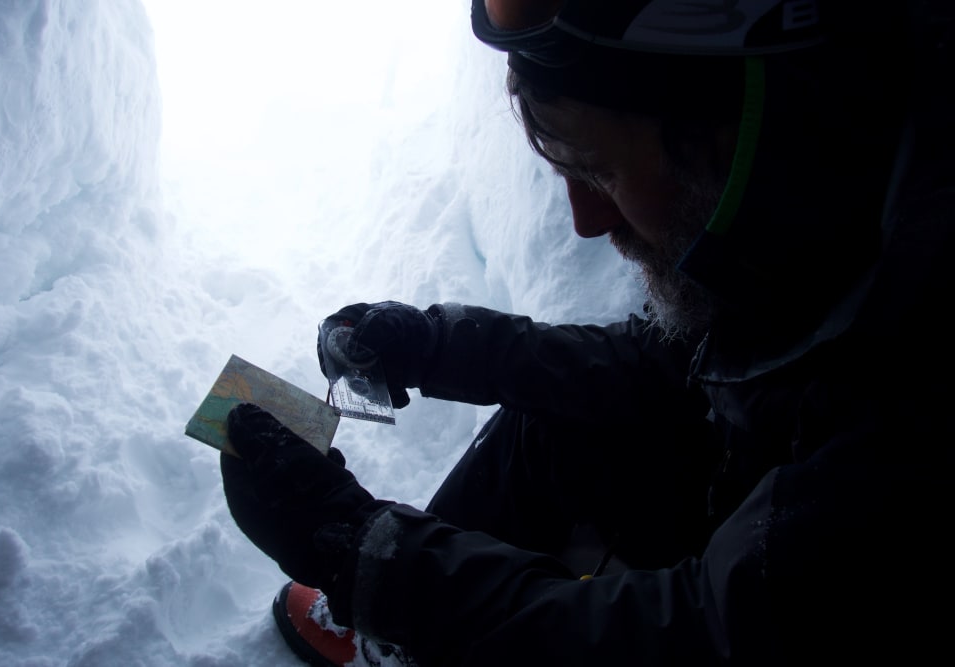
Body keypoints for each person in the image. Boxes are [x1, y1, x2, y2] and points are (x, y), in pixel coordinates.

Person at [218, 0, 955, 665]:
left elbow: (706, 637)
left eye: (598, 171)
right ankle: (404, 639)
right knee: (559, 418)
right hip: (749, 492)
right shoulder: (829, 211)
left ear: (738, 133)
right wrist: (439, 345)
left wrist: (370, 557)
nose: (585, 220)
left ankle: (408, 615)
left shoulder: (918, 379)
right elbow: (668, 369)